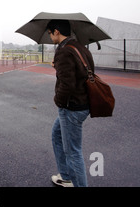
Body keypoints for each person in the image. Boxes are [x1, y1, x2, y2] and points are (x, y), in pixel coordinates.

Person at [46, 19, 94, 187]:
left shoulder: (64, 52)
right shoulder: (80, 48)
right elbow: (82, 74)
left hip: (71, 108)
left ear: (57, 31)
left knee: (73, 152)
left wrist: (58, 102)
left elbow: (67, 85)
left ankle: (76, 182)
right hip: (83, 104)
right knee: (56, 134)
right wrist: (59, 68)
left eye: (50, 33)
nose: (50, 36)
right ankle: (66, 176)